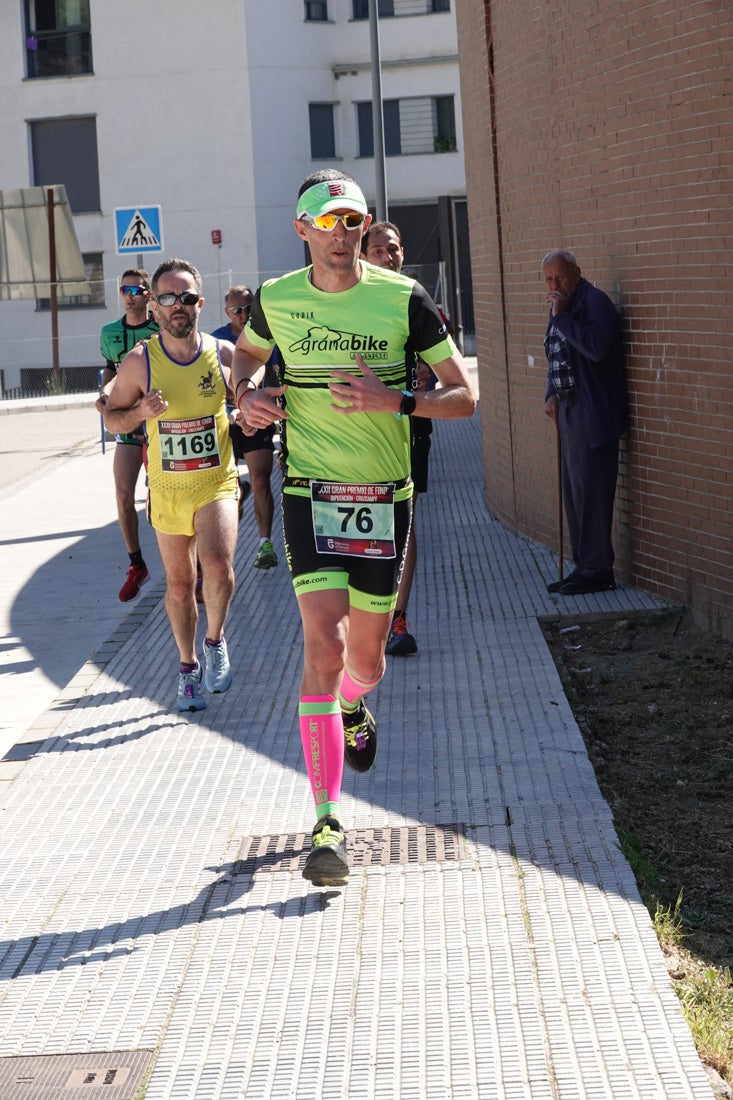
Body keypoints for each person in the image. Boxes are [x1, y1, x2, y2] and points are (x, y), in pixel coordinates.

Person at [231, 169, 476, 888]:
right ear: (301, 228)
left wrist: (391, 398)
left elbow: (463, 397)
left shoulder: (403, 299)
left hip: (381, 496)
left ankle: (353, 705)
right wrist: (246, 397)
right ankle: (327, 819)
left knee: (363, 661)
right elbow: (244, 359)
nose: (341, 236)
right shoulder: (276, 299)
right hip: (309, 490)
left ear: (365, 227)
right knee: (323, 643)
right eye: (326, 222)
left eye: (352, 222)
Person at [103, 258, 239, 712]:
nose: (176, 306)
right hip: (167, 491)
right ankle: (187, 668)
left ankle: (216, 641)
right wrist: (139, 414)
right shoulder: (140, 362)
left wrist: (248, 408)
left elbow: (249, 391)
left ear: (198, 304)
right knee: (180, 586)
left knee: (217, 566)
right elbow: (111, 415)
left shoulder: (222, 355)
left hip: (216, 481)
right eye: (166, 298)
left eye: (185, 298)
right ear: (155, 307)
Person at [361, 220, 437, 656]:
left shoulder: (418, 303)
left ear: (402, 253)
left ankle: (398, 619)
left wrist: (425, 385)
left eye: (393, 248)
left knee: (404, 522)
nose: (386, 256)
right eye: (378, 249)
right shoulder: (353, 299)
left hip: (408, 426)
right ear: (364, 255)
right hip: (357, 431)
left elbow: (447, 373)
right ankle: (368, 613)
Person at [541, 249, 627, 595]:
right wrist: (550, 392)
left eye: (560, 277)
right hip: (569, 409)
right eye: (548, 279)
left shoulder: (595, 303)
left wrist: (560, 317)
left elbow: (596, 348)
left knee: (592, 492)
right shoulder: (563, 307)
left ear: (577, 272)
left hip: (594, 413)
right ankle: (583, 565)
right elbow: (555, 351)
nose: (554, 284)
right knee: (575, 494)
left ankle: (598, 570)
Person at [96, 269, 159, 602]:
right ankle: (137, 564)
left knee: (159, 502)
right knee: (122, 494)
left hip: (158, 422)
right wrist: (105, 394)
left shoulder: (160, 328)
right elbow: (110, 369)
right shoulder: (109, 332)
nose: (129, 294)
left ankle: (191, 567)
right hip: (126, 422)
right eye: (124, 289)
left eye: (135, 289)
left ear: (149, 294)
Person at [209, 286, 278, 568]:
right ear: (227, 313)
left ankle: (265, 545)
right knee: (224, 485)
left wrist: (270, 413)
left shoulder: (266, 337)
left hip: (257, 415)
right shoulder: (216, 341)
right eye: (237, 310)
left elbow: (272, 378)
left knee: (261, 478)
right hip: (226, 419)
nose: (244, 314)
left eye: (248, 308)